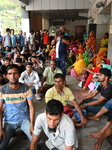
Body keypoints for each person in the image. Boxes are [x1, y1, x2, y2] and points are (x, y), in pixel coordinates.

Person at [0, 64, 35, 150]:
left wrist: (32, 125)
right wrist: (0, 127)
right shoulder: (2, 90)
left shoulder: (26, 89)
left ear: (19, 74)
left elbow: (31, 107)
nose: (12, 76)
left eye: (15, 73)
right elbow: (0, 109)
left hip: (24, 120)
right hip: (8, 122)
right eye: (10, 73)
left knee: (36, 140)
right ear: (7, 76)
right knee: (2, 147)